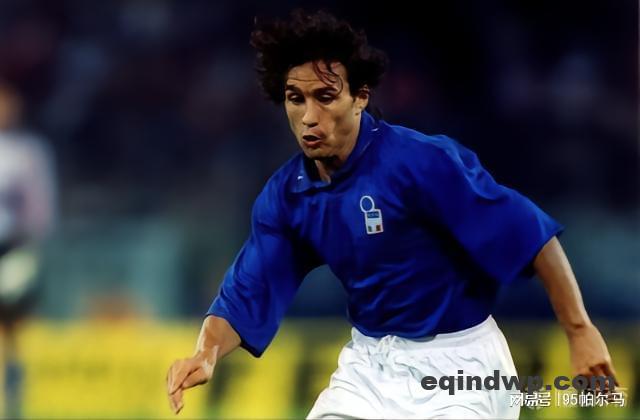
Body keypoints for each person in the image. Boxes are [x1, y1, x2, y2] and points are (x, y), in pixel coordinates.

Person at [166, 10, 617, 419]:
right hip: (370, 367)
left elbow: (530, 234)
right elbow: (248, 290)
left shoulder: (421, 162)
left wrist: (579, 331)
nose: (309, 116)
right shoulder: (288, 196)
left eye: (325, 96)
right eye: (295, 98)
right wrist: (205, 353)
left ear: (360, 97)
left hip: (460, 367)